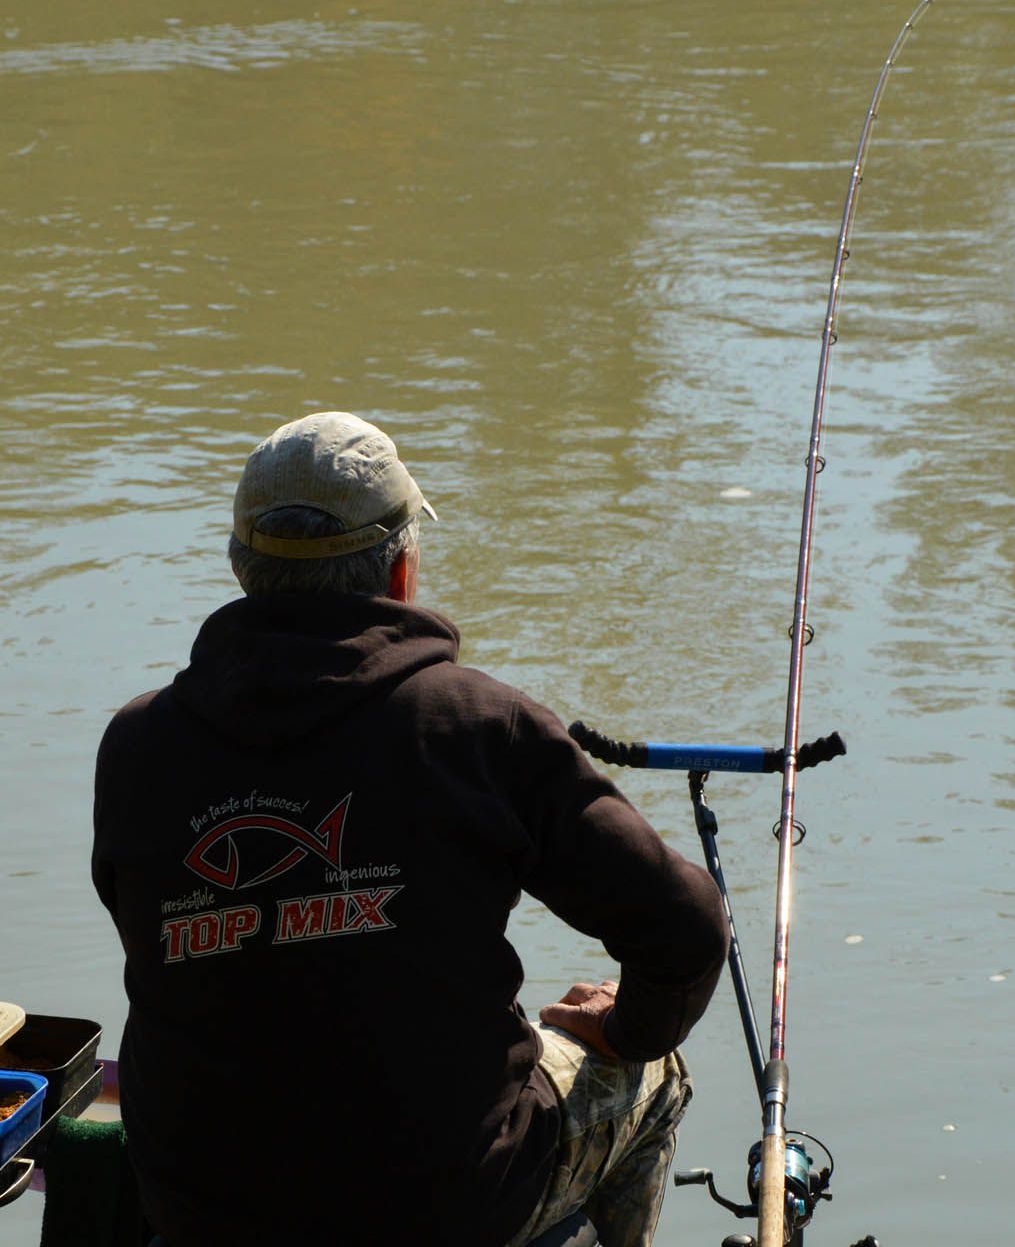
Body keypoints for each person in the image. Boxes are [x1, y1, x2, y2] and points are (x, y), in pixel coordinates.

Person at [92, 411, 730, 1247]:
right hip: (444, 1205)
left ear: (242, 569)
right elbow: (686, 929)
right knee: (652, 1070)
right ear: (401, 571)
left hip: (199, 1208)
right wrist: (622, 1029)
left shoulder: (138, 746)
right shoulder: (472, 726)